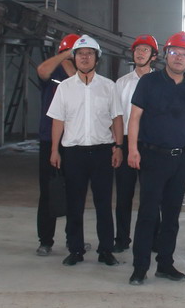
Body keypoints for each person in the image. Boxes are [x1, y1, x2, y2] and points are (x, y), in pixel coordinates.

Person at [127, 31, 185, 286]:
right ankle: (140, 268)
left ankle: (165, 265)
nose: (179, 58)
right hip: (152, 156)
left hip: (180, 159)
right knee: (148, 214)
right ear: (166, 55)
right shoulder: (149, 82)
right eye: (175, 52)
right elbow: (134, 117)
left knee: (171, 215)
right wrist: (132, 149)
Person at [47, 34, 123, 267]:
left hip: (102, 152)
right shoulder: (65, 88)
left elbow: (117, 118)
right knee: (75, 204)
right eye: (80, 54)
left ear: (96, 59)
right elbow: (58, 120)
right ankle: (76, 249)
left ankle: (106, 250)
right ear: (75, 58)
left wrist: (118, 146)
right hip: (74, 153)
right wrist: (54, 150)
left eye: (89, 54)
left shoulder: (108, 86)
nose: (85, 57)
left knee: (103, 204)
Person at [113, 34, 160, 254]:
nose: (140, 53)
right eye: (137, 50)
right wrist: (117, 146)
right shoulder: (122, 83)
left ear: (154, 56)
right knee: (124, 194)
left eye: (145, 50)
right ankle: (122, 238)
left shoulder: (160, 82)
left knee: (152, 195)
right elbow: (116, 116)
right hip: (125, 142)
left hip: (151, 144)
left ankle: (154, 239)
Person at [33, 33, 79, 256]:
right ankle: (45, 240)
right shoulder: (52, 73)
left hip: (75, 140)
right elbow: (41, 70)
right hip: (50, 140)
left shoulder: (84, 75)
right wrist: (65, 56)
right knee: (49, 191)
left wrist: (73, 61)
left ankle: (74, 240)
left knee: (75, 191)